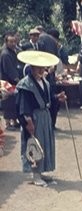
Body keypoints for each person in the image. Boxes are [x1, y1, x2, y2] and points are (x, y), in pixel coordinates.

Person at [15, 50, 66, 186]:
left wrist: (57, 98)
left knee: (45, 143)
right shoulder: (25, 85)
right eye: (38, 68)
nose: (41, 70)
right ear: (32, 68)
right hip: (34, 118)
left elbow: (47, 99)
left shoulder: (45, 82)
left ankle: (41, 171)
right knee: (35, 144)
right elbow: (24, 105)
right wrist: (28, 122)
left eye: (43, 68)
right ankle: (35, 174)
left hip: (45, 117)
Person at [1, 33, 22, 128]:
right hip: (7, 82)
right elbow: (9, 70)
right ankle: (7, 123)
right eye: (11, 42)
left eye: (14, 41)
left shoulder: (13, 52)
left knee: (14, 102)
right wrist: (17, 80)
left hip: (13, 81)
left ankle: (14, 120)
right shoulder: (5, 54)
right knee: (8, 102)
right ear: (6, 42)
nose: (13, 43)